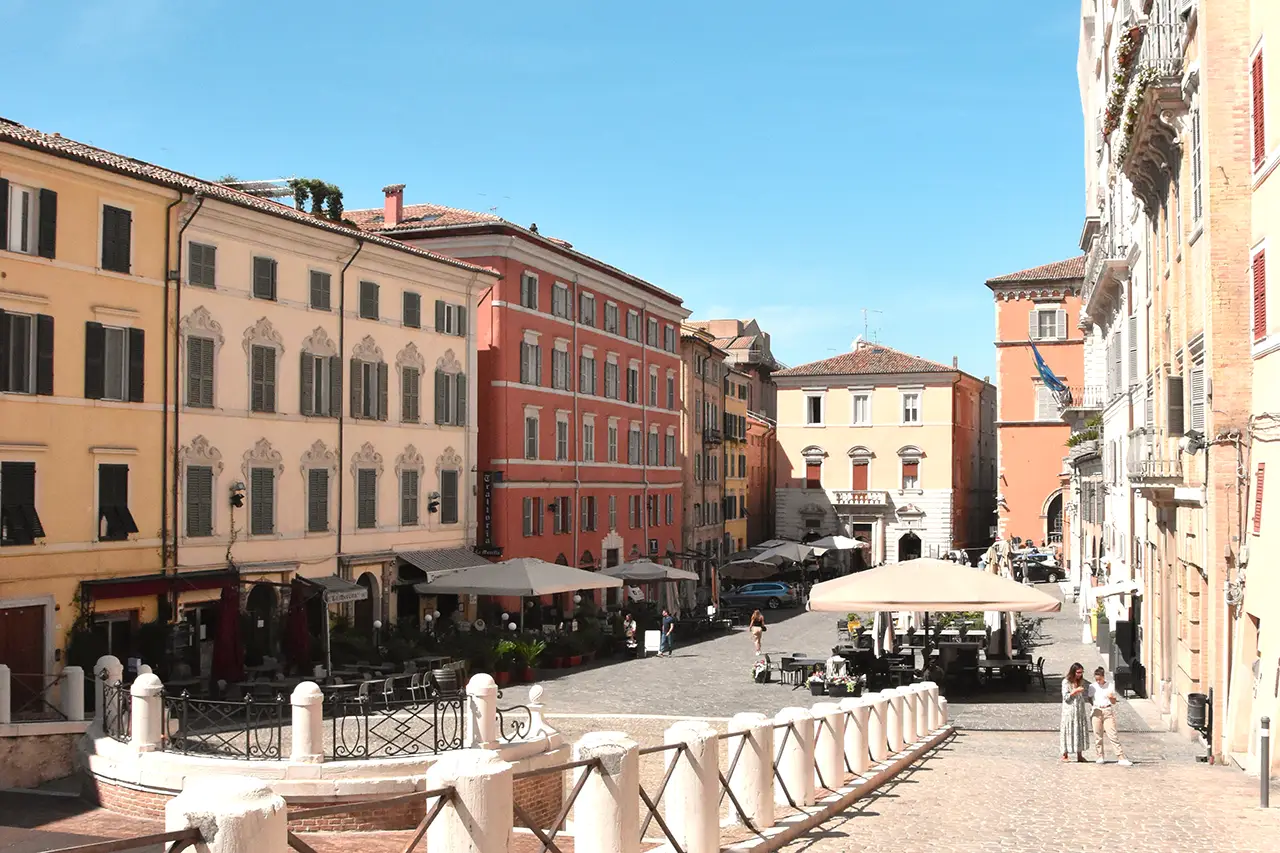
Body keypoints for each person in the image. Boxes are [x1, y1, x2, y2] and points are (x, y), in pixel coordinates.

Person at [1088, 666, 1131, 765]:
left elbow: (1113, 701)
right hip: (1096, 710)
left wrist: (1111, 698)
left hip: (1107, 710)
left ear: (1103, 677)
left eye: (1100, 679)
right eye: (1096, 679)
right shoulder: (1092, 686)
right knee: (1098, 735)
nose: (1098, 681)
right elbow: (1089, 698)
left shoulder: (1110, 686)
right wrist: (1094, 704)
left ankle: (1120, 756)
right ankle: (1100, 755)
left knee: (1112, 734)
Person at [1060, 662, 1091, 762]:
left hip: (1079, 710)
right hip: (1069, 710)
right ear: (1073, 672)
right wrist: (1075, 691)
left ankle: (1079, 754)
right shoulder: (1066, 682)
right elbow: (1066, 697)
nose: (1080, 674)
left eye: (1081, 672)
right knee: (1068, 730)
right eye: (1078, 672)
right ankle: (1065, 754)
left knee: (1079, 730)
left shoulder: (1080, 681)